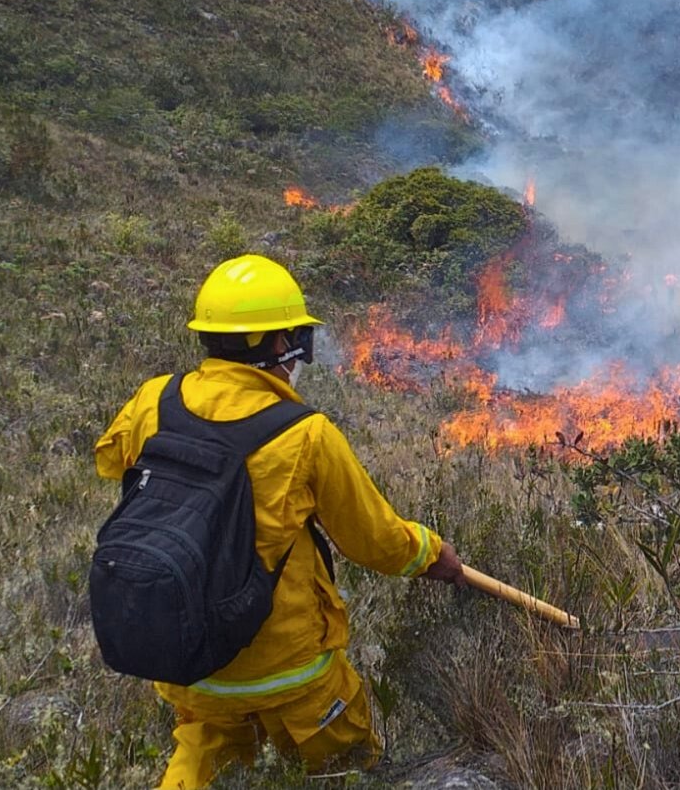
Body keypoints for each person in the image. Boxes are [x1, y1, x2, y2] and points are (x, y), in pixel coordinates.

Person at [94, 253, 472, 789]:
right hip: (291, 674)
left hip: (186, 662)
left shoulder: (152, 400)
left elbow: (116, 466)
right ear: (279, 343)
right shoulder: (304, 434)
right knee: (345, 771)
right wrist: (435, 555)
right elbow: (376, 542)